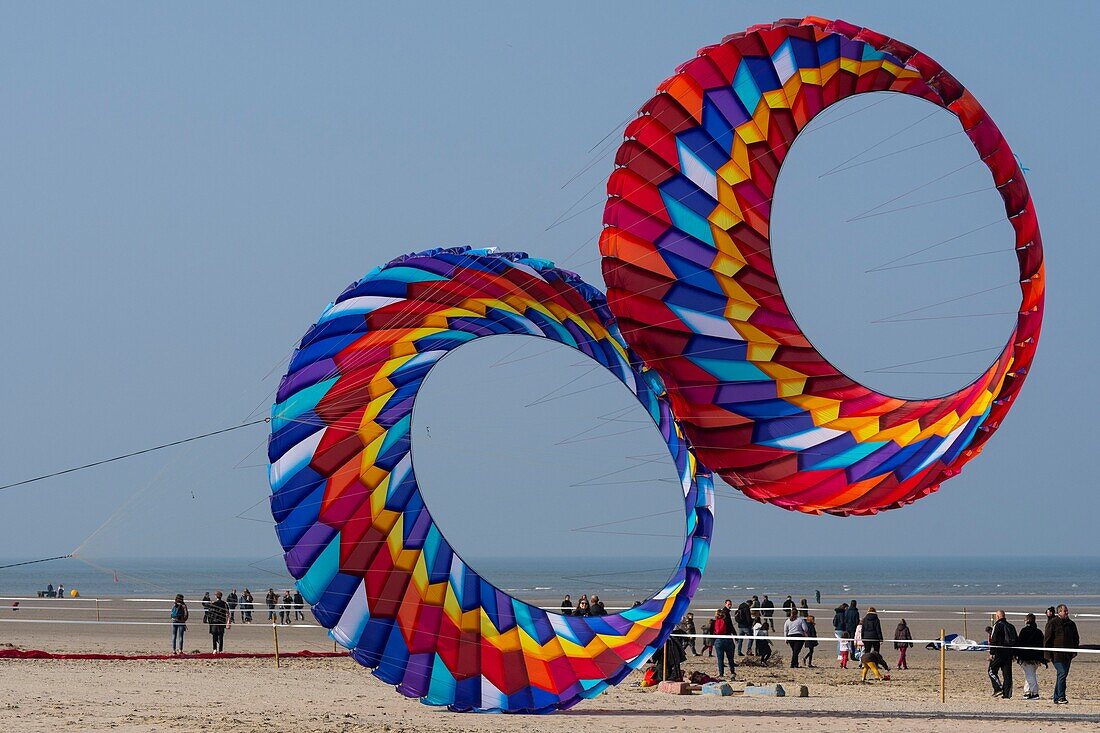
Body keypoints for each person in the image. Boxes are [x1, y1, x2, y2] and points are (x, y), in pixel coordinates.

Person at [1044, 604, 1080, 705]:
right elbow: (1047, 640)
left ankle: (1056, 697)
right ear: (1059, 612)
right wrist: (1047, 655)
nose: (1067, 613)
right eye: (1065, 611)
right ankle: (1061, 696)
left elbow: (1076, 638)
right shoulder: (1053, 623)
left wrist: (1074, 651)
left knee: (1062, 676)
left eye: (1067, 611)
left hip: (1068, 655)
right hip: (1056, 655)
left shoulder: (1071, 624)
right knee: (1062, 673)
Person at [1015, 613, 1047, 700]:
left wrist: (1018, 655)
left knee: (1030, 675)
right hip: (1037, 658)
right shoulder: (1038, 632)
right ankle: (1027, 692)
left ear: (1026, 621)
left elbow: (1020, 643)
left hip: (1027, 657)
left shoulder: (1024, 631)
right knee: (1030, 674)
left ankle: (1034, 693)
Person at [988, 610, 1017, 698]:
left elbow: (994, 640)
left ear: (997, 617)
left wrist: (991, 653)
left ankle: (998, 688)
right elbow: (1016, 640)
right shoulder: (1011, 626)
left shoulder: (997, 626)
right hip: (1009, 653)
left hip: (999, 653)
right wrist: (1014, 654)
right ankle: (1007, 694)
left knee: (991, 670)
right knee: (1007, 674)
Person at [712, 608, 736, 679]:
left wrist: (713, 641)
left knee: (720, 659)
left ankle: (721, 674)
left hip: (718, 641)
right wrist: (736, 637)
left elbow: (711, 632)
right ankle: (732, 672)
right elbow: (732, 629)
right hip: (728, 640)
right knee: (730, 658)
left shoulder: (713, 622)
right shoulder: (727, 621)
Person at [833, 603, 849, 667]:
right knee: (841, 642)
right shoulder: (843, 614)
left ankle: (839, 655)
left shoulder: (837, 614)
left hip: (837, 629)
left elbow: (834, 622)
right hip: (841, 629)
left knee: (839, 642)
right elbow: (843, 622)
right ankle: (840, 655)